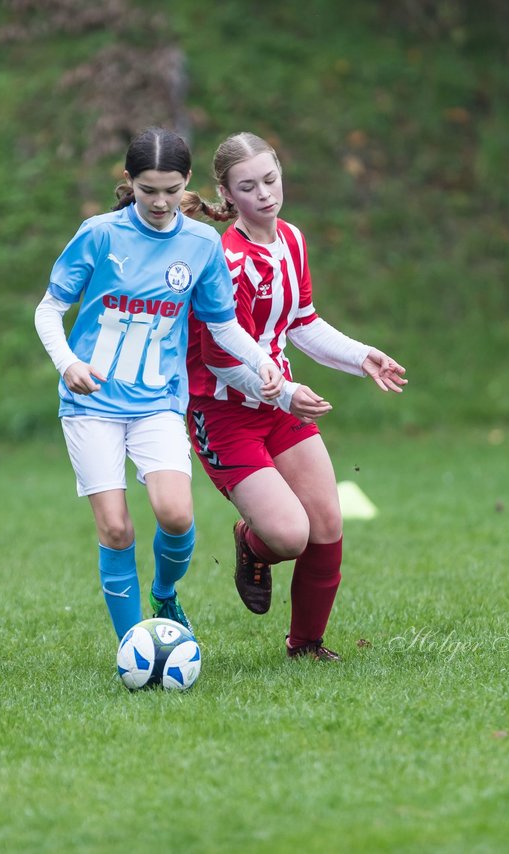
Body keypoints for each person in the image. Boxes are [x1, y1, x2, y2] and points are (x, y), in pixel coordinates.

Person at [34, 127, 284, 642]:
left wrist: (260, 362)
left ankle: (165, 596)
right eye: (148, 190)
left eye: (171, 189)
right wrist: (66, 363)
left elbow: (222, 325)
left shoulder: (201, 244)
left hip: (158, 404)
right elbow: (49, 309)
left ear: (186, 181)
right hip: (92, 404)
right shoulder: (100, 234)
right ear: (130, 182)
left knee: (174, 514)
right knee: (117, 529)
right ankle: (134, 646)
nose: (161, 201)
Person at [181, 131, 407, 661]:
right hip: (224, 414)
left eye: (270, 179)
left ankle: (305, 646)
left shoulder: (292, 240)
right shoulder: (224, 259)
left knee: (326, 523)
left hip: (281, 404)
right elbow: (217, 356)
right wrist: (283, 395)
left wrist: (361, 355)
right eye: (247, 186)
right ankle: (251, 542)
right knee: (289, 536)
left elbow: (301, 322)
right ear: (226, 193)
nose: (264, 194)